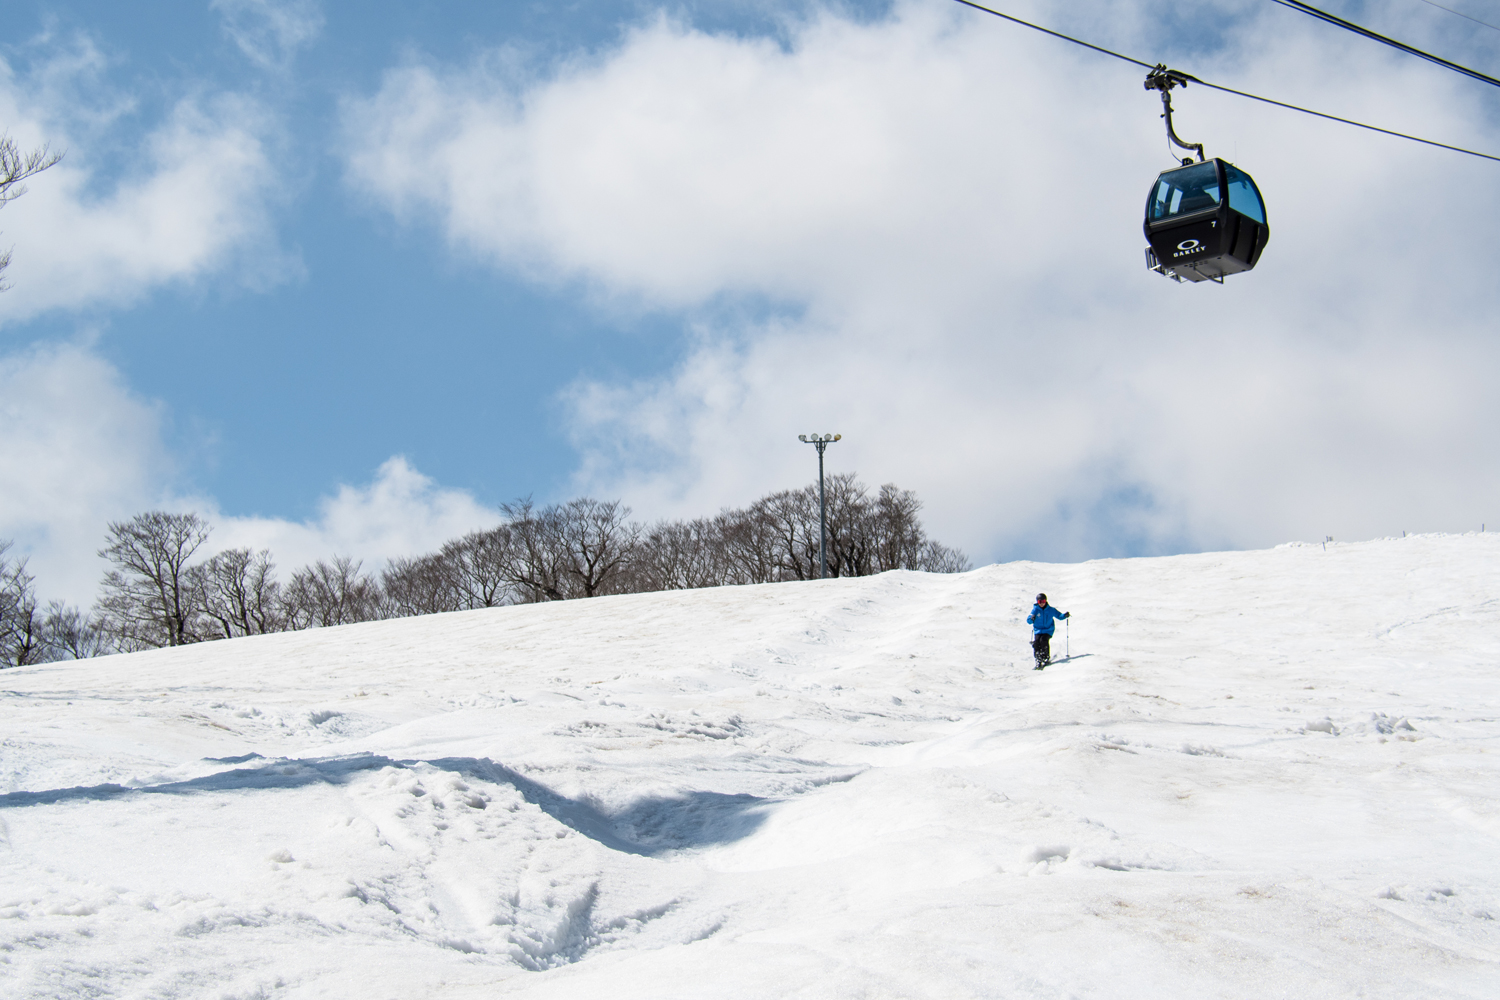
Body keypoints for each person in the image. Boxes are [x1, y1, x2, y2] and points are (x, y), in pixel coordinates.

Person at [1026, 593, 1069, 669]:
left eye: (1043, 601)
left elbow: (1059, 616)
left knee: (1043, 640)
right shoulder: (1035, 610)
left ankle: (1045, 658)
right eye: (1039, 602)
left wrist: (1064, 615)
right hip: (1038, 630)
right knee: (1036, 643)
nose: (1042, 603)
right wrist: (1031, 619)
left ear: (1046, 601)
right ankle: (1038, 659)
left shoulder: (1051, 610)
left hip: (1048, 630)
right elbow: (1028, 620)